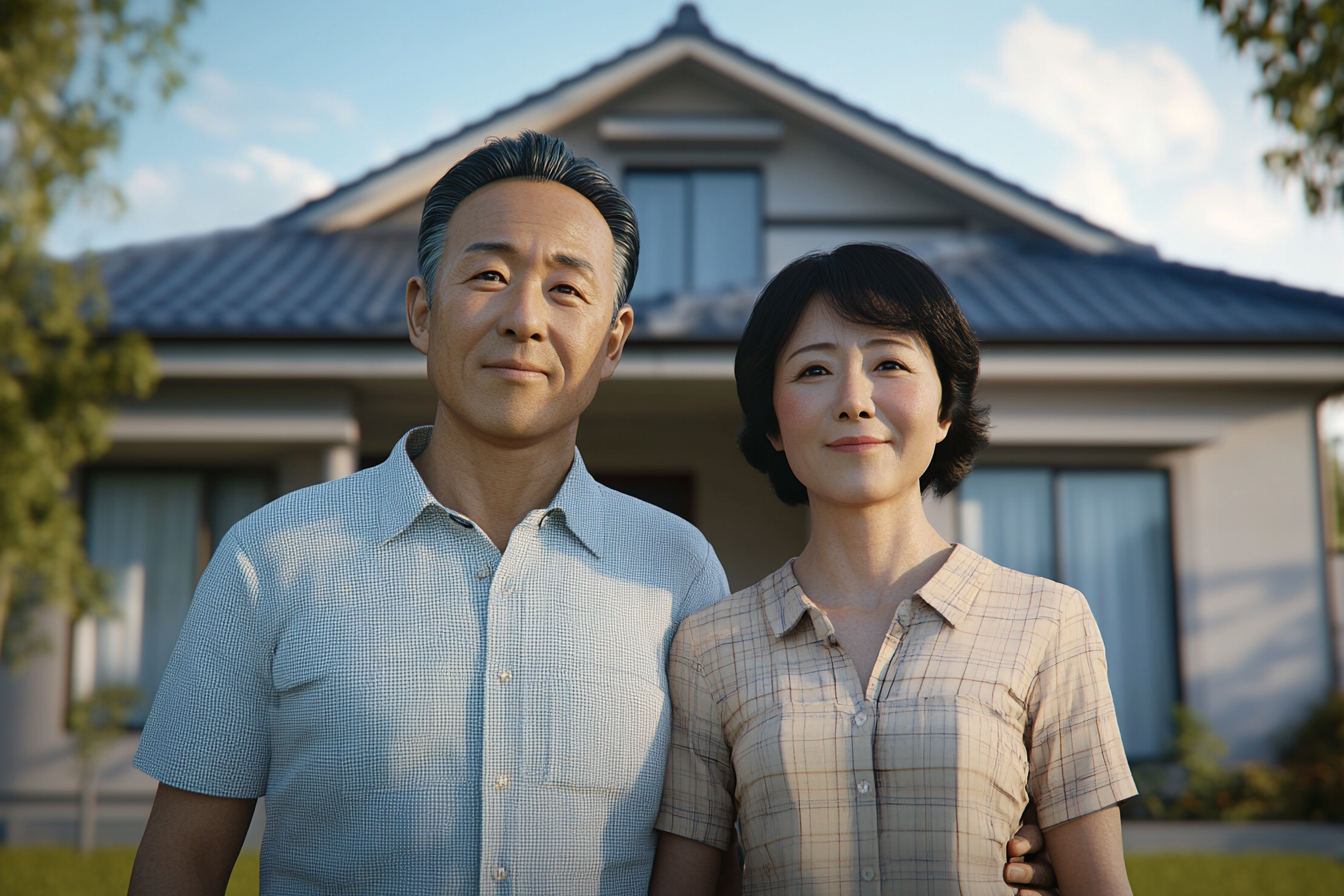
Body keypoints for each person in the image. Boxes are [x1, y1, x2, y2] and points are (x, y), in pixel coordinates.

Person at [126, 133, 1059, 895]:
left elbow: (743, 839)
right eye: (487, 275)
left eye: (568, 288)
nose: (525, 317)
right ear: (420, 311)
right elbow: (183, 863)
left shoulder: (679, 574)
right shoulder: (272, 558)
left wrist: (987, 849)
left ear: (613, 340)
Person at [649, 243, 1136, 895]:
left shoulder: (1048, 624)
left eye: (889, 363)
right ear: (772, 423)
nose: (853, 399)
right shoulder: (708, 648)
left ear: (945, 411)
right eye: (813, 371)